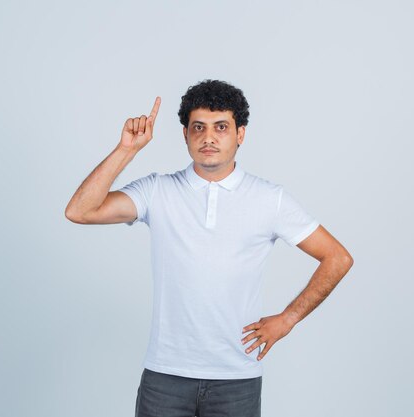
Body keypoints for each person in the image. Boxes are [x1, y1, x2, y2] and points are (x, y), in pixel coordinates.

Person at [65, 79, 353, 417]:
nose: (208, 137)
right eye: (198, 127)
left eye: (221, 127)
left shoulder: (269, 199)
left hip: (236, 379)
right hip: (166, 376)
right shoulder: (158, 191)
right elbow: (80, 211)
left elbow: (337, 258)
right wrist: (126, 149)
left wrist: (287, 319)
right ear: (185, 134)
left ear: (240, 134)